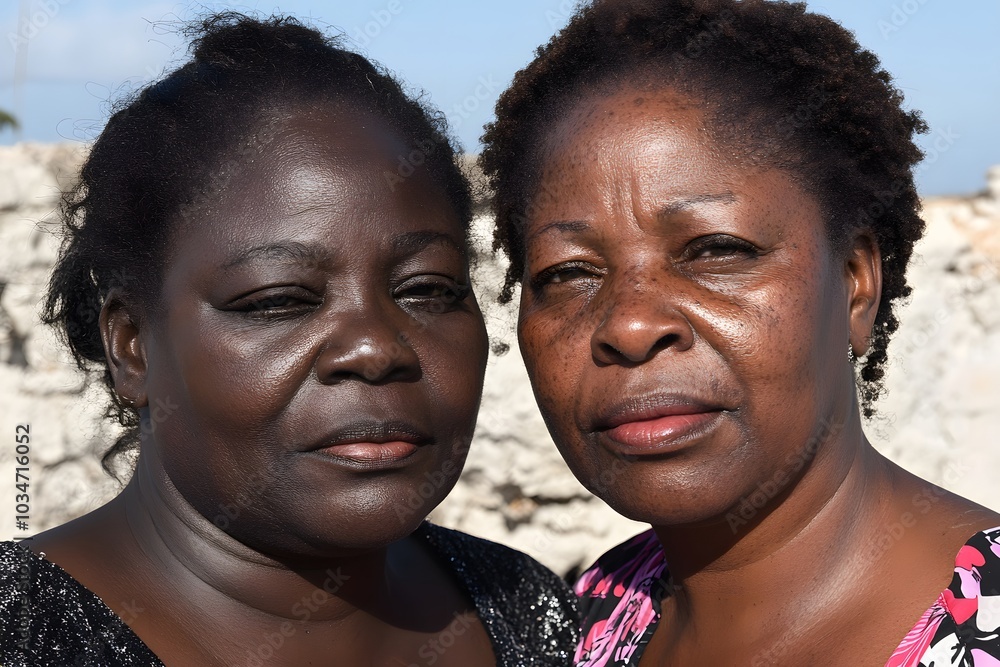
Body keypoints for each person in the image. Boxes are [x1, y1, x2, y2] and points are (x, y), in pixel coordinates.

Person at [0, 14, 578, 667]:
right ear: (132, 346)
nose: (375, 347)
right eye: (278, 300)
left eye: (427, 289)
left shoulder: (530, 611)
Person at [479, 0, 1000, 665]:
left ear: (855, 283)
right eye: (569, 273)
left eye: (715, 250)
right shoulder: (582, 620)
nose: (631, 325)